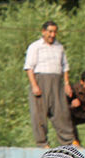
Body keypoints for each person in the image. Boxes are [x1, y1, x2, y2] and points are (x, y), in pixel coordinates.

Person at [24, 21, 75, 149]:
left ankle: (68, 141)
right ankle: (42, 143)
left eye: (54, 32)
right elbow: (29, 67)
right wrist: (34, 85)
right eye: (50, 32)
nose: (52, 35)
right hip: (41, 79)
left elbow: (65, 67)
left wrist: (67, 83)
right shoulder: (35, 46)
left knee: (61, 111)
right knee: (39, 113)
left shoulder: (60, 47)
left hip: (57, 81)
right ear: (43, 32)